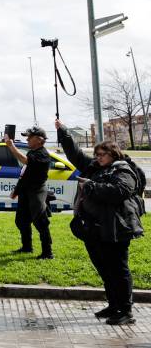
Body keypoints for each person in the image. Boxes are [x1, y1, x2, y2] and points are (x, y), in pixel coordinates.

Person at [57, 120, 145, 325]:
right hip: (95, 229)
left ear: (113, 154)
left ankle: (125, 310)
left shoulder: (123, 170)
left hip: (116, 229)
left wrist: (91, 186)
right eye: (96, 155)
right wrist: (64, 133)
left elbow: (120, 191)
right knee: (104, 269)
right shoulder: (96, 167)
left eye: (101, 155)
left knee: (118, 269)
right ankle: (113, 305)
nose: (97, 158)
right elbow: (75, 155)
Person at [4, 126, 54, 260]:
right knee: (21, 220)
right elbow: (25, 174)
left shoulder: (43, 154)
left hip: (37, 192)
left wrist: (11, 146)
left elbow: (25, 161)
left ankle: (48, 252)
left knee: (41, 222)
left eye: (30, 137)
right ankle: (27, 247)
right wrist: (17, 190)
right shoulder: (33, 152)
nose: (27, 140)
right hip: (26, 191)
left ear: (39, 140)